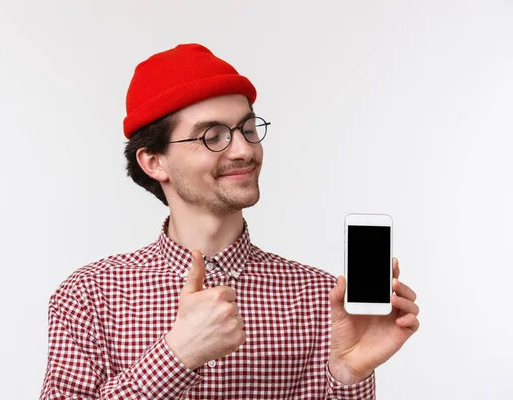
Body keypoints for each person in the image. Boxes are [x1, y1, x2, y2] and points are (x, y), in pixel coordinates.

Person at [39, 43, 420, 400]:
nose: (243, 150)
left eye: (248, 129)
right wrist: (176, 356)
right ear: (154, 161)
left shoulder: (323, 300)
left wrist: (348, 377)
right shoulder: (88, 298)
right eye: (212, 136)